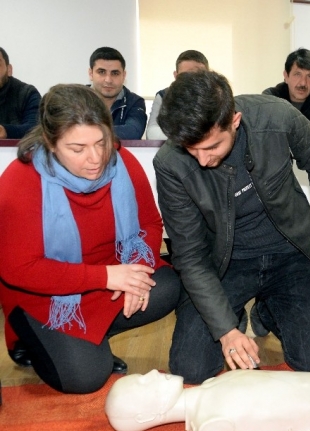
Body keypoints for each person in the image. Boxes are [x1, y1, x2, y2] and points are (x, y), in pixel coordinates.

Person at [154, 70, 310, 384]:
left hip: (289, 255)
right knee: (192, 369)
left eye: (212, 146)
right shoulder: (169, 163)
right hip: (225, 265)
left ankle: (269, 311)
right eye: (191, 149)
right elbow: (190, 256)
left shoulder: (277, 116)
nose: (202, 160)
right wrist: (226, 331)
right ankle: (235, 314)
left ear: (235, 120)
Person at [0, 84, 180, 394]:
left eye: (101, 142)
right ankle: (31, 337)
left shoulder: (122, 161)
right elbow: (19, 269)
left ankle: (90, 338)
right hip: (46, 297)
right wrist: (108, 276)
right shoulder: (21, 179)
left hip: (104, 281)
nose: (95, 158)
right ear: (50, 142)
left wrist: (135, 273)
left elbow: (149, 222)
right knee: (85, 378)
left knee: (166, 286)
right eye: (77, 148)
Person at [105, 369, 310, 431]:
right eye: (143, 383)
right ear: (146, 416)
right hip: (309, 407)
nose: (153, 372)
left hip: (306, 388)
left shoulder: (208, 389)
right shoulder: (211, 422)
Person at [262, 48, 310, 137]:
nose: (303, 83)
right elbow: (263, 130)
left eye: (309, 76)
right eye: (297, 74)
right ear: (286, 75)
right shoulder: (271, 96)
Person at [146, 49, 209, 140]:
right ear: (176, 76)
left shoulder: (218, 97)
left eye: (199, 75)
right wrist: (188, 136)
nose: (193, 80)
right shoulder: (164, 96)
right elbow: (152, 133)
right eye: (186, 75)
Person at [88, 47, 147, 140]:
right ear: (91, 74)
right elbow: (63, 131)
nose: (108, 80)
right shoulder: (76, 99)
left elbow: (133, 132)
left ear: (124, 76)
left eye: (115, 73)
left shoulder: (134, 102)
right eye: (101, 72)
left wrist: (85, 132)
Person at [0, 47, 40, 139]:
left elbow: (36, 128)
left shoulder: (27, 93)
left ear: (9, 70)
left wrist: (5, 131)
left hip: (17, 153)